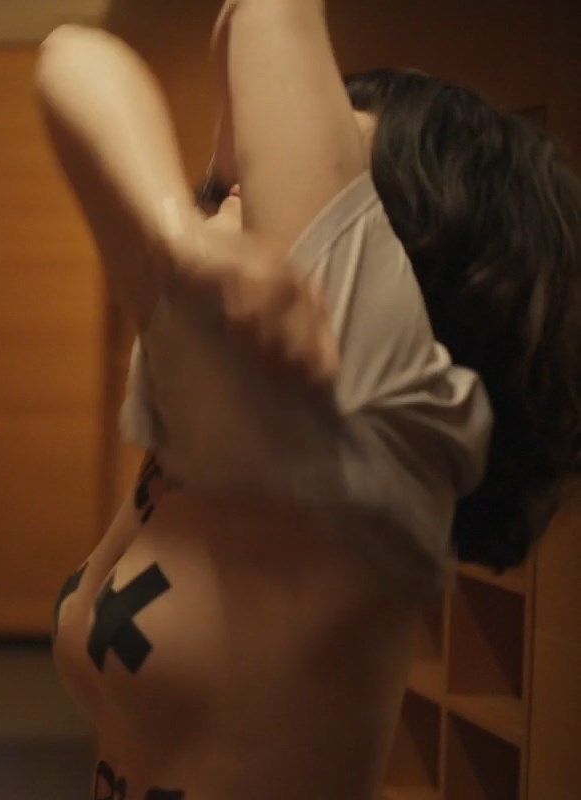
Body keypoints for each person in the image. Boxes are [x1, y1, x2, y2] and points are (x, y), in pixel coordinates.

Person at [35, 0, 581, 796]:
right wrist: (175, 235)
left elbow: (266, 13)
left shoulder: (369, 418)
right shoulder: (223, 384)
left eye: (301, 174)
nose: (239, 188)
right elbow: (70, 57)